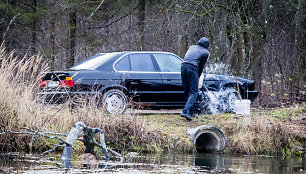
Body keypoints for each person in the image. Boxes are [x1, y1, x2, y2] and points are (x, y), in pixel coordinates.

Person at [181, 37, 210, 120]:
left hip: (183, 66)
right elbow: (201, 66)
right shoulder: (206, 53)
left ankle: (190, 113)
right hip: (193, 68)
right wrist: (198, 76)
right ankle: (185, 111)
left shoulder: (192, 47)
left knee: (187, 91)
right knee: (194, 92)